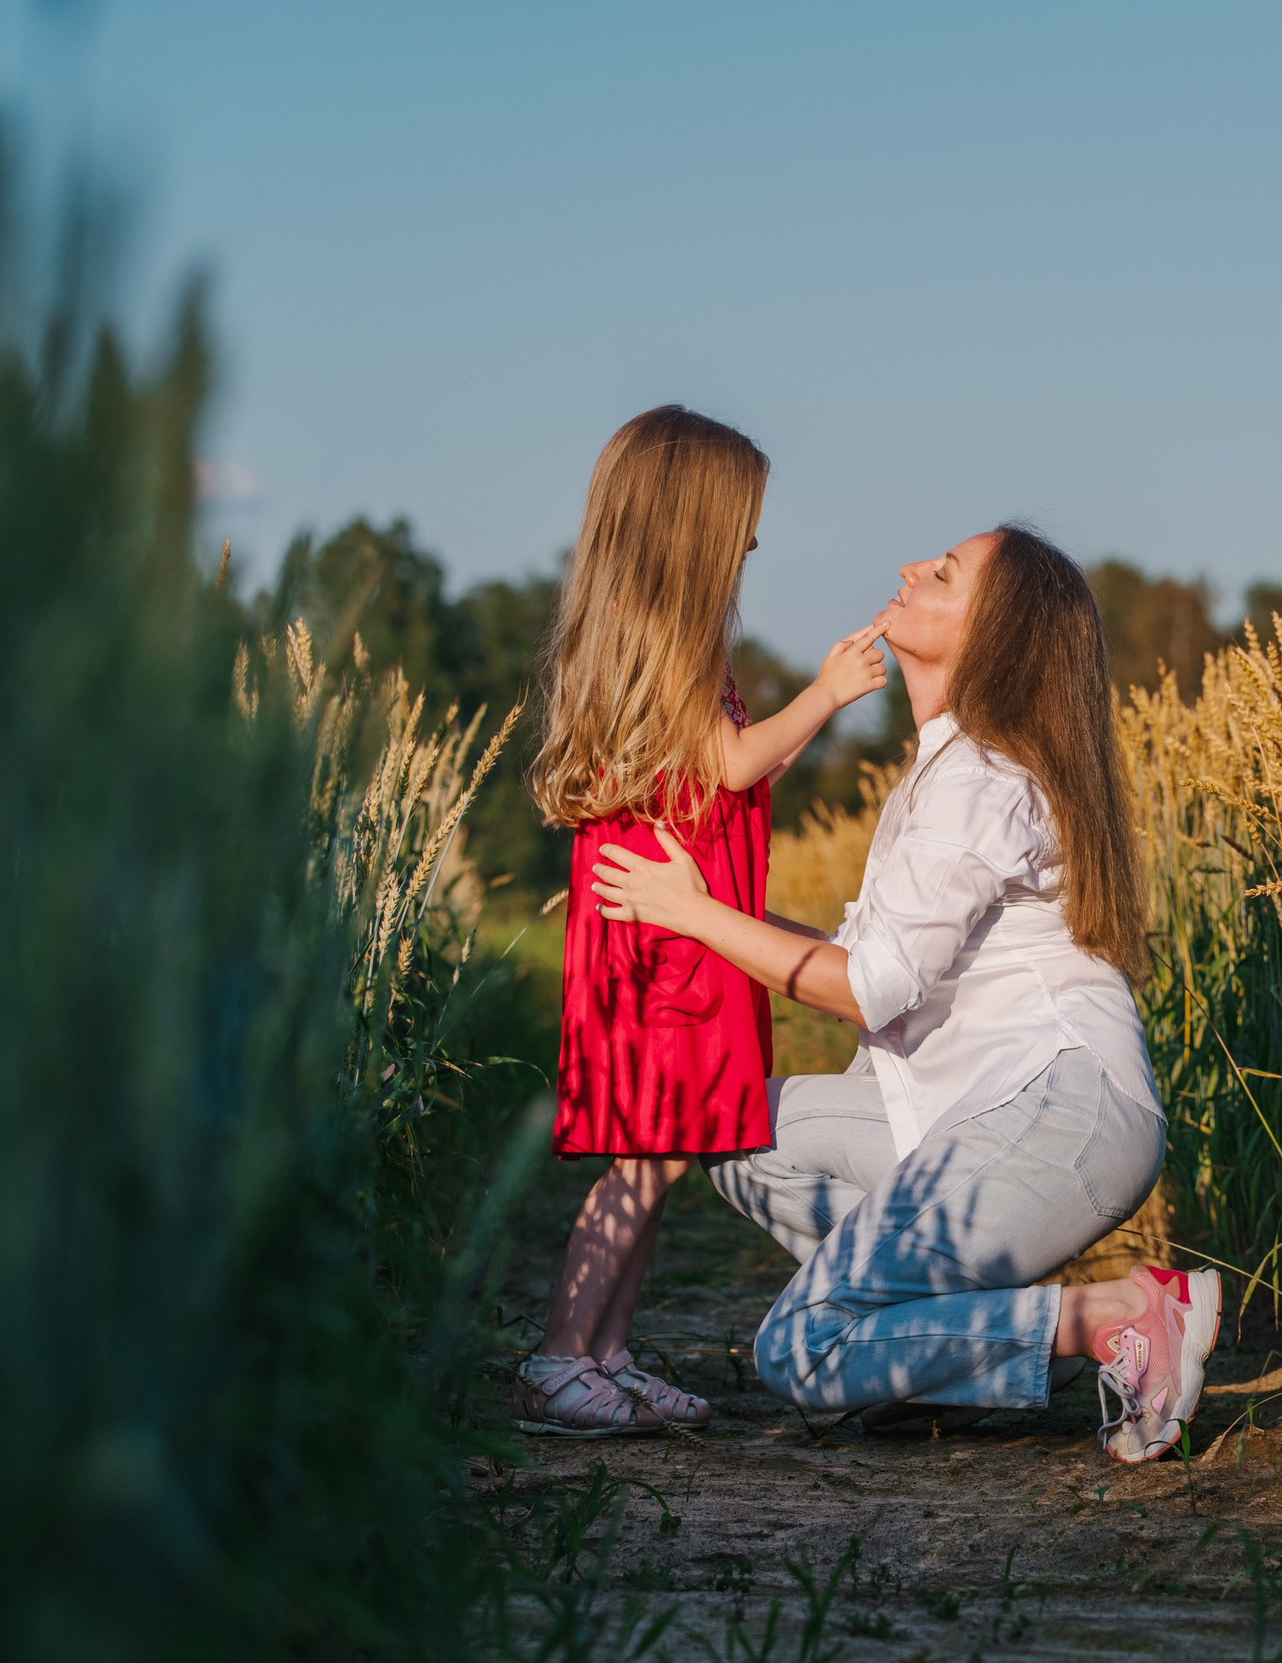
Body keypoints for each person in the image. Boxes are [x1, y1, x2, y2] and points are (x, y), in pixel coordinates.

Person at [590, 524, 1218, 1463]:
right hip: (975, 1110)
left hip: (1059, 1110)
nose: (906, 570)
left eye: (942, 575)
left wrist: (694, 915)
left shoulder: (982, 781)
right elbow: (860, 958)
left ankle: (1117, 1316)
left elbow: (871, 988)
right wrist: (706, 911)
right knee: (729, 1127)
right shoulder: (940, 772)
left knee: (801, 1350)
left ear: (991, 636)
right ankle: (943, 1357)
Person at [514, 405, 890, 1436]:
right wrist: (825, 694)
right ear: (688, 524)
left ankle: (606, 1352)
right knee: (640, 1156)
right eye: (741, 518)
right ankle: (557, 1355)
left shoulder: (654, 641)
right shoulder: (661, 642)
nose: (754, 539)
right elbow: (729, 764)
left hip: (676, 931)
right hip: (662, 947)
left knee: (661, 1154)